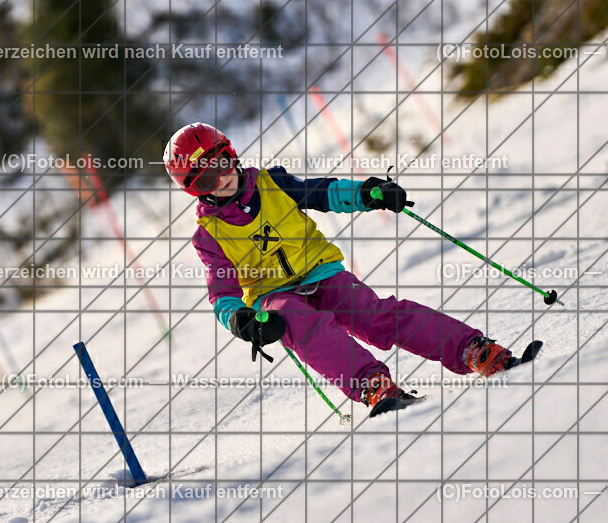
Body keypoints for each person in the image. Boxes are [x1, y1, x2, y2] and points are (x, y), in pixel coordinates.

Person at [164, 123, 518, 416]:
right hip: (272, 297)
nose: (222, 178)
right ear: (195, 190)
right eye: (207, 179)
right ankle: (374, 387)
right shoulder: (208, 235)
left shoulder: (274, 184)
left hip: (320, 272)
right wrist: (240, 319)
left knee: (372, 315)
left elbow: (324, 192)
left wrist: (367, 193)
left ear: (232, 153)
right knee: (300, 322)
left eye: (223, 163)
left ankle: (473, 350)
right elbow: (222, 295)